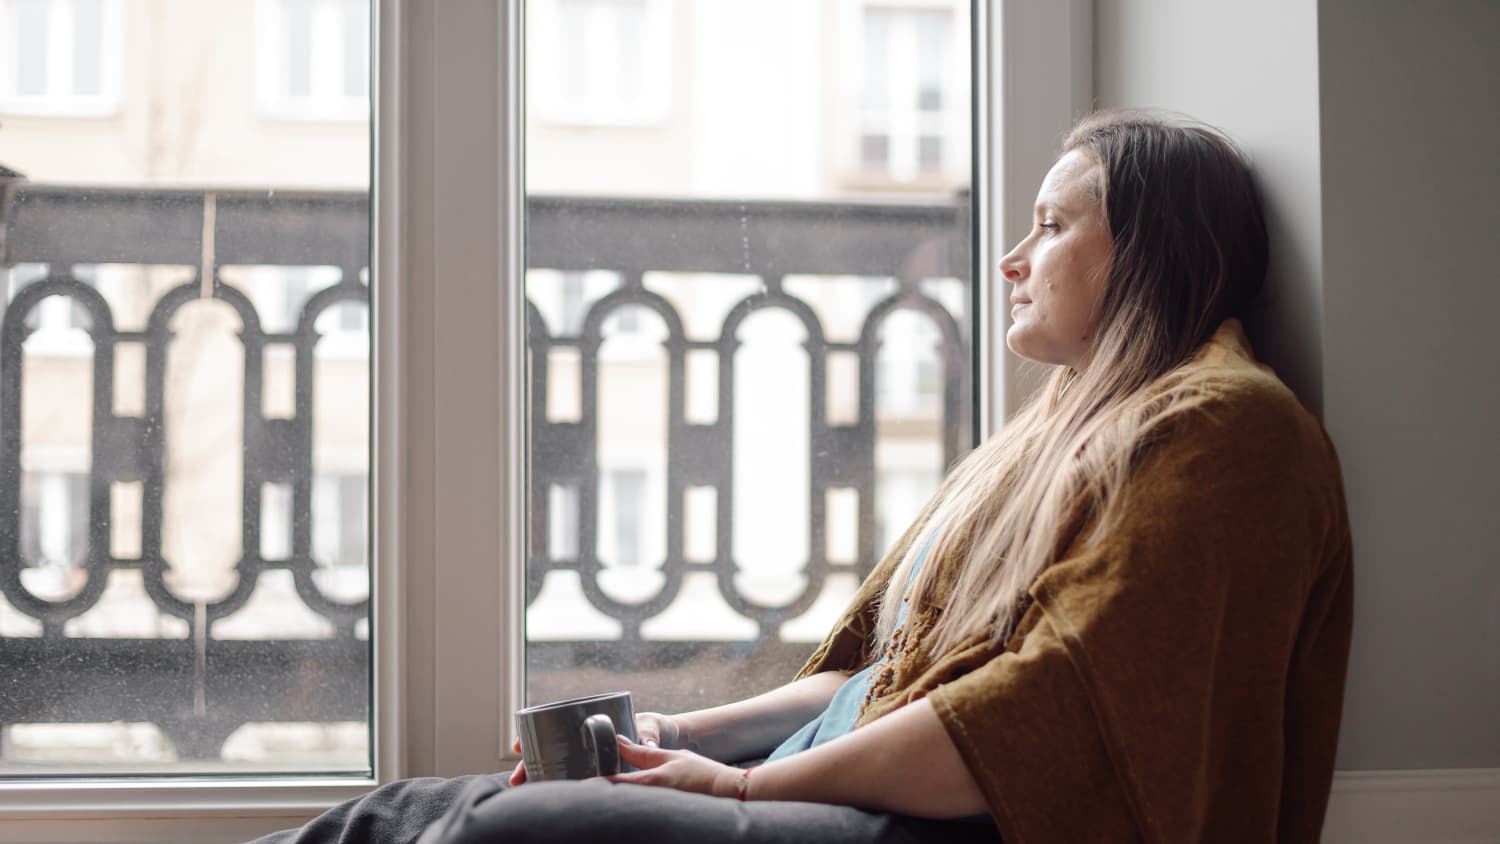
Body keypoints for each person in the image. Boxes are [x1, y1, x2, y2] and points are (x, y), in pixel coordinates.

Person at [253, 109, 1353, 844]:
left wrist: (737, 787)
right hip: (835, 783)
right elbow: (868, 674)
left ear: (1154, 252)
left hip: (930, 826)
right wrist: (683, 740)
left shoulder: (1225, 432)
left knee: (508, 832)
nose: (1013, 259)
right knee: (407, 809)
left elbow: (1043, 723)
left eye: (1053, 225)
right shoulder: (1050, 434)